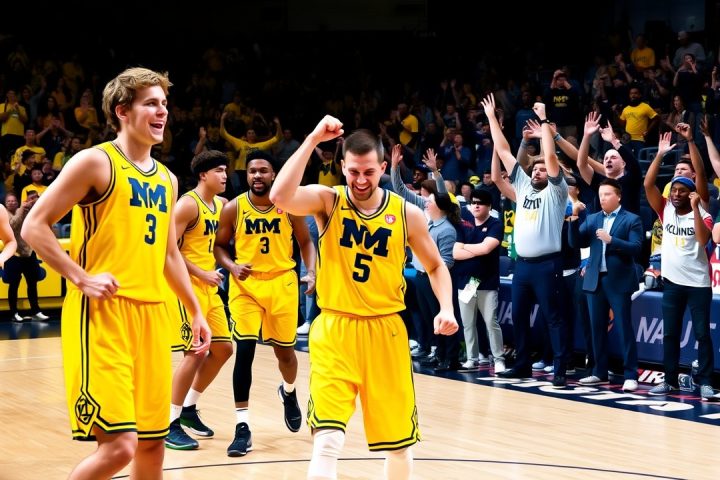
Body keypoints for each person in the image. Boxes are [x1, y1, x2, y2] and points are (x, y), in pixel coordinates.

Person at [21, 67, 211, 479]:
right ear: (123, 111)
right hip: (102, 316)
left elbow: (169, 254)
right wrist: (81, 277)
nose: (162, 111)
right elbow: (34, 226)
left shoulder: (168, 179)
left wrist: (195, 309)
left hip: (153, 316)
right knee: (119, 447)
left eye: (164, 104)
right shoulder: (95, 162)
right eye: (151, 103)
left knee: (153, 444)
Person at [269, 116, 458, 480]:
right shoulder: (328, 201)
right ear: (342, 167)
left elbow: (436, 266)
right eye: (353, 171)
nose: (360, 180)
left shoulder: (407, 214)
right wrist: (311, 139)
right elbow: (280, 196)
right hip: (335, 329)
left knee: (398, 444)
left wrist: (446, 308)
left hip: (386, 332)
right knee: (327, 439)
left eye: (369, 172)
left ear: (383, 168)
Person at [213, 150, 317, 457]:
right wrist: (231, 267)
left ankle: (289, 391)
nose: (257, 175)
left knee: (285, 354)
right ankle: (242, 426)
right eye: (252, 171)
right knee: (244, 351)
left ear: (273, 175)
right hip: (246, 286)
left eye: (263, 170)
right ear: (246, 175)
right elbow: (219, 246)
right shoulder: (234, 208)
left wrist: (311, 271)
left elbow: (306, 241)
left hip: (282, 282)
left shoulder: (288, 206)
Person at [482, 93, 569, 387]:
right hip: (523, 265)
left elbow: (552, 158)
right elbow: (503, 150)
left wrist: (544, 120)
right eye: (535, 168)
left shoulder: (557, 192)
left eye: (543, 169)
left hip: (547, 264)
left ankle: (559, 369)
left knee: (553, 317)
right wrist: (492, 118)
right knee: (518, 316)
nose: (538, 171)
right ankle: (522, 365)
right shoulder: (522, 187)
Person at [165, 150, 234, 450]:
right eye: (219, 170)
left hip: (209, 289)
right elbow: (168, 250)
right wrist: (202, 273)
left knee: (223, 349)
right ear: (203, 175)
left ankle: (189, 408)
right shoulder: (187, 205)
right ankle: (169, 423)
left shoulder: (221, 205)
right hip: (186, 287)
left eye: (226, 170)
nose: (225, 176)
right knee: (195, 353)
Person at [644, 132, 716, 400]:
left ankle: (706, 382)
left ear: (691, 193)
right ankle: (670, 380)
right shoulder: (665, 210)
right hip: (672, 283)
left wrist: (696, 208)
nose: (675, 194)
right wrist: (660, 154)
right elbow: (648, 183)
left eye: (681, 191)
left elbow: (703, 239)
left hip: (698, 284)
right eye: (673, 190)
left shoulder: (704, 214)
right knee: (670, 334)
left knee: (702, 334)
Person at [568, 179, 643, 391]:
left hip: (619, 281)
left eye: (607, 194)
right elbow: (575, 242)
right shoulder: (593, 219)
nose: (602, 198)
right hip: (595, 279)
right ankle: (599, 372)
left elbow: (636, 247)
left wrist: (612, 240)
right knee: (596, 328)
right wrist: (573, 218)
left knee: (624, 327)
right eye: (600, 195)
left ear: (618, 196)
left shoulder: (632, 219)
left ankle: (630, 374)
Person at [5, 191, 47, 322]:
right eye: (8, 201)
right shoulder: (4, 214)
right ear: (5, 204)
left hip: (28, 252)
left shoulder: (23, 210)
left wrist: (33, 203)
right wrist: (22, 210)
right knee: (14, 285)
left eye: (13, 200)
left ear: (17, 201)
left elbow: (35, 220)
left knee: (32, 283)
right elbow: (12, 225)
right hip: (13, 254)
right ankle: (14, 313)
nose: (11, 203)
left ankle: (36, 311)